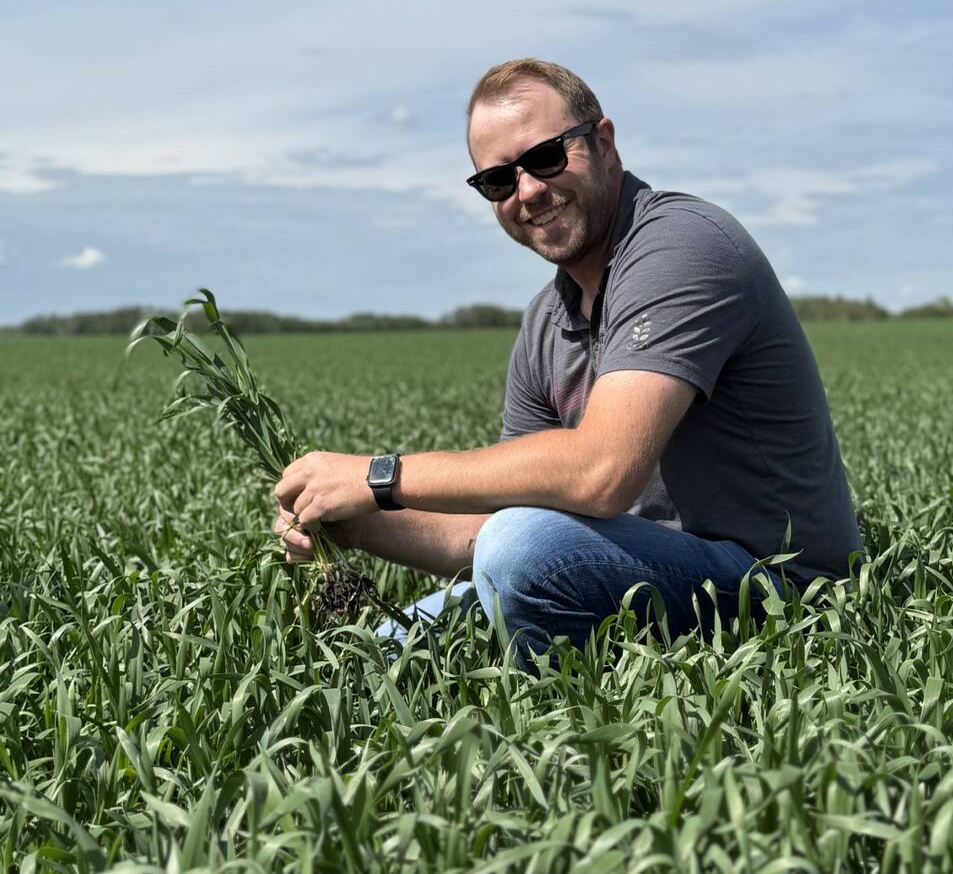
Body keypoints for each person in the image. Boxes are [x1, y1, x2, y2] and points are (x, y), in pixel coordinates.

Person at [274, 58, 860, 654]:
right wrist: (361, 523)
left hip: (780, 584)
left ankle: (553, 722)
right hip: (632, 567)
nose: (528, 191)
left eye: (546, 157)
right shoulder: (545, 323)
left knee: (523, 550)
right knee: (372, 655)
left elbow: (601, 472)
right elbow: (491, 530)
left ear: (603, 143)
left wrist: (379, 477)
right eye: (499, 180)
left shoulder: (681, 245)